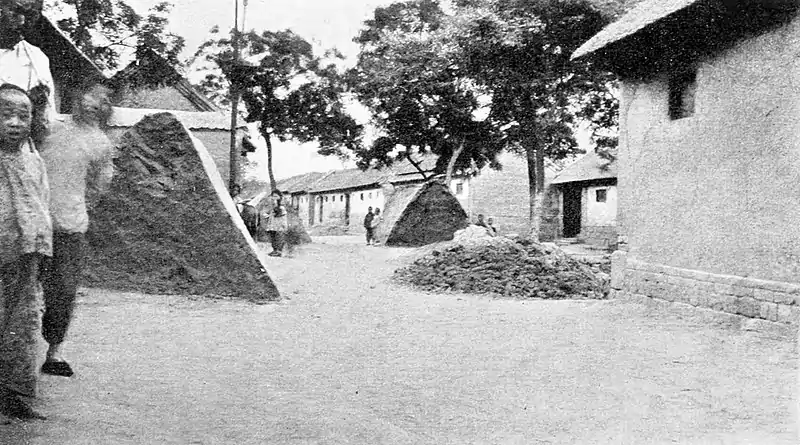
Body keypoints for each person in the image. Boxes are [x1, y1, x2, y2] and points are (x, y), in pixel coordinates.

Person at [38, 83, 115, 378]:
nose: (93, 102)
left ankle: (54, 352)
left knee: (63, 291)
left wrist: (76, 209)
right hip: (33, 221)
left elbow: (99, 188)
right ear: (76, 97)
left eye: (103, 99)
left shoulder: (101, 144)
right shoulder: (51, 128)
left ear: (108, 108)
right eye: (89, 95)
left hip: (69, 228)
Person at [0, 83, 52, 420]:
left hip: (27, 253)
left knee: (23, 322)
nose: (16, 122)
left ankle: (15, 394)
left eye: (24, 115)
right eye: (6, 115)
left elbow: (42, 205)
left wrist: (42, 247)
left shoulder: (35, 162)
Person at [0, 0, 56, 129]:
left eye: (31, 15)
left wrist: (39, 108)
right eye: (15, 11)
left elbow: (48, 122)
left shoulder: (37, 58)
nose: (22, 21)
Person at [263, 190, 288, 257]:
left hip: (279, 223)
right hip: (273, 223)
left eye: (276, 196)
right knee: (272, 235)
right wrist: (267, 214)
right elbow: (269, 212)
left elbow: (278, 213)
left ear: (280, 197)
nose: (274, 198)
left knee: (279, 236)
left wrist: (274, 211)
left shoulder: (282, 205)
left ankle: (279, 251)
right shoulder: (272, 204)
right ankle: (274, 250)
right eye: (273, 196)